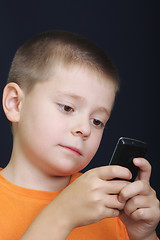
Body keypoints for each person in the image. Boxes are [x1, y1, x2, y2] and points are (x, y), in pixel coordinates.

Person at [0, 30, 159, 240]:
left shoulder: (107, 202)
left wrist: (144, 235)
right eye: (67, 107)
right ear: (15, 103)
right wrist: (62, 215)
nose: (85, 129)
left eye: (97, 121)